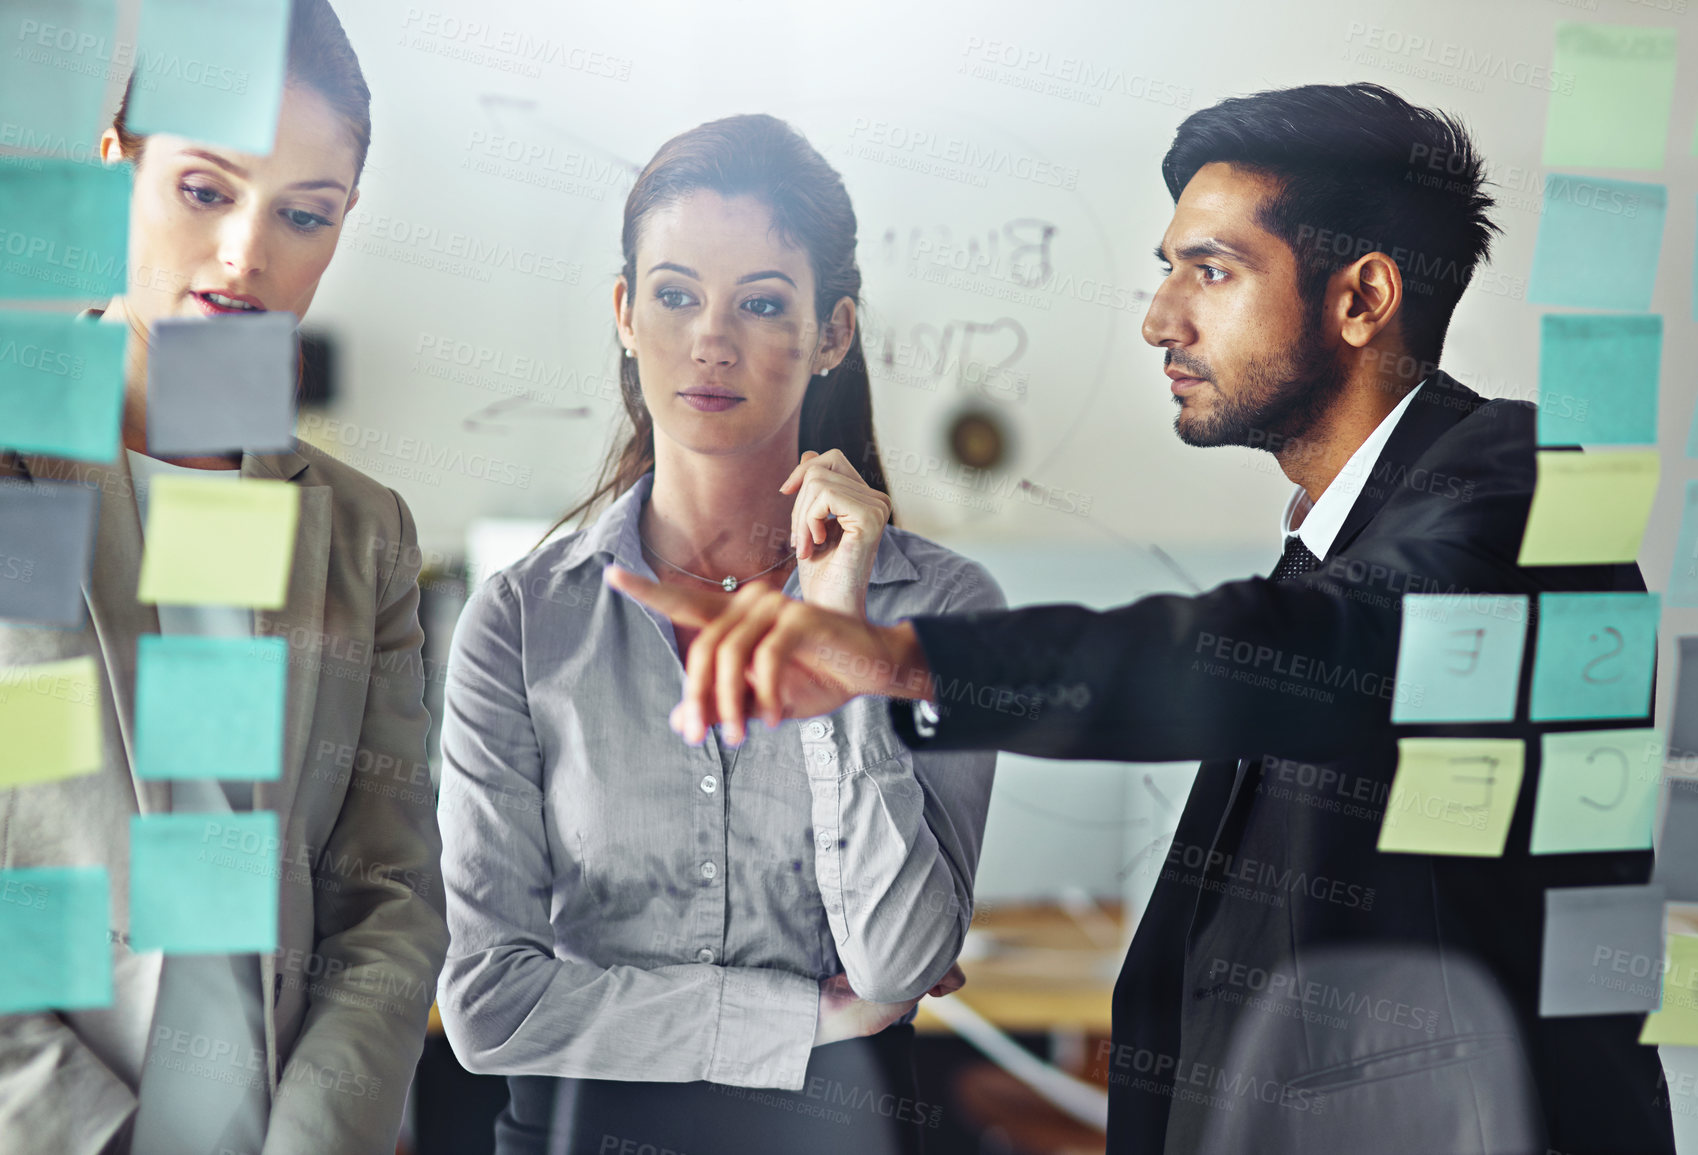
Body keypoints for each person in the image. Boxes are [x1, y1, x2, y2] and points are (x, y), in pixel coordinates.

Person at [609, 84, 1676, 1155]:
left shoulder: (1516, 493)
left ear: (1361, 300)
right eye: (1169, 270)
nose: (1162, 317)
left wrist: (906, 658)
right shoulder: (1342, 542)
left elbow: (1308, 656)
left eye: (1211, 270)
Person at [435, 114, 1002, 1155]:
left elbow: (896, 962)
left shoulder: (947, 610)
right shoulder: (522, 622)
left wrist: (835, 640)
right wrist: (802, 1022)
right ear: (624, 312)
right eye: (677, 294)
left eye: (764, 304)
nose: (711, 339)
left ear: (832, 334)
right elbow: (489, 1005)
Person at [0, 4, 448, 1153]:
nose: (251, 254)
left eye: (305, 215)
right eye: (207, 190)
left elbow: (387, 901)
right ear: (120, 171)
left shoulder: (364, 534)